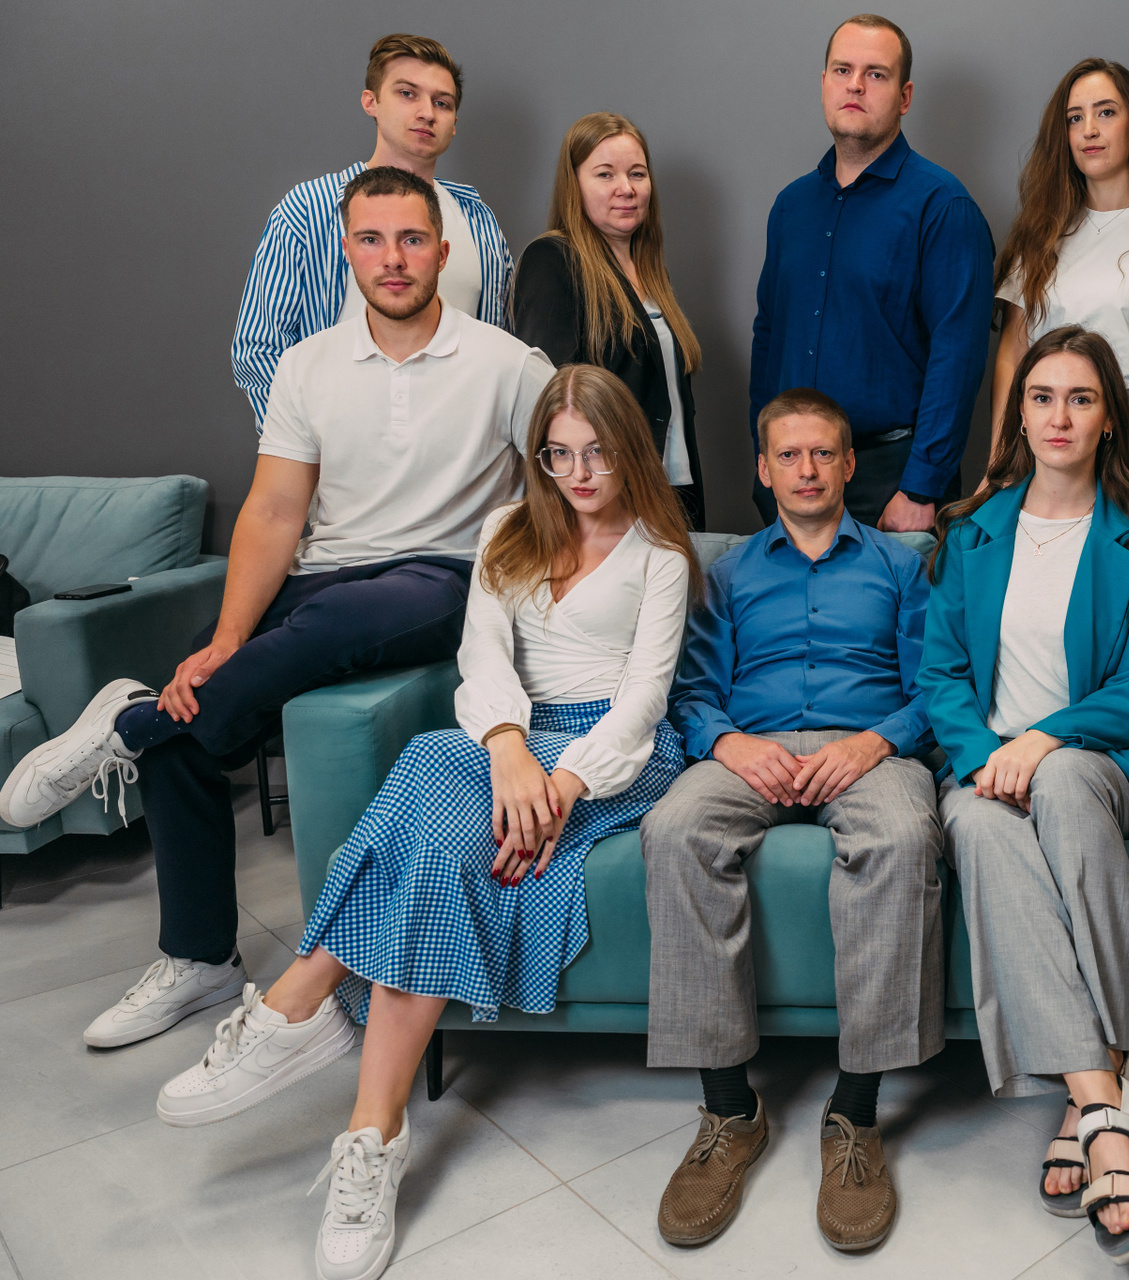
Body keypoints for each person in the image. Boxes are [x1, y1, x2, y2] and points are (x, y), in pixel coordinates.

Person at [148, 364, 693, 1280]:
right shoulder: (507, 530)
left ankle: (301, 1007)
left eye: (597, 453)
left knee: (440, 810)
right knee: (431, 769)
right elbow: (484, 659)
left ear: (629, 449)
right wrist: (508, 747)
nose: (578, 474)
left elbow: (643, 701)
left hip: (610, 755)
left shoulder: (660, 555)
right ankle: (375, 1132)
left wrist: (561, 786)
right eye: (558, 455)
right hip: (508, 733)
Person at [0, 166, 555, 1052]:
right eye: (371, 240)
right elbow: (273, 512)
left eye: (412, 240)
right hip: (326, 571)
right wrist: (226, 637)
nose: (393, 258)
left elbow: (562, 487)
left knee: (333, 626)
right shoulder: (307, 365)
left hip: (445, 573)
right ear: (347, 252)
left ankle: (129, 727)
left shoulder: (510, 364)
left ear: (443, 252)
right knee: (196, 680)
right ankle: (198, 957)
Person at [642, 388, 945, 1254]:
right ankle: (730, 1111)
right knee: (674, 830)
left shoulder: (901, 566)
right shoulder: (728, 572)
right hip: (754, 750)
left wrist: (876, 743)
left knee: (901, 838)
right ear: (764, 468)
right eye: (788, 455)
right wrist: (729, 743)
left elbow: (935, 685)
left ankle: (856, 1114)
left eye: (822, 454)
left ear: (848, 465)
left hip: (868, 750)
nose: (806, 470)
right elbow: (694, 691)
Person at [919, 326, 1129, 1265]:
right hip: (984, 766)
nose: (1059, 415)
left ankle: (1091, 1103)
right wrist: (988, 756)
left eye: (1081, 397)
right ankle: (1103, 1100)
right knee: (984, 832)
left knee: (1066, 782)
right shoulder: (972, 530)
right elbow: (941, 673)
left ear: (1110, 416)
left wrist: (1045, 740)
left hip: (1103, 762)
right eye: (1042, 397)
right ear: (1020, 415)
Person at [748, 13, 995, 530]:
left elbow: (958, 357)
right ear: (824, 84)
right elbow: (769, 337)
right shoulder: (790, 207)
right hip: (790, 478)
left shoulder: (943, 207)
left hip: (892, 482)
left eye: (875, 74)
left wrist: (921, 486)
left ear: (905, 97)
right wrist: (765, 457)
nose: (855, 85)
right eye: (843, 70)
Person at [232, 32, 515, 427]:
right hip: (339, 453)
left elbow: (501, 352)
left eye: (442, 103)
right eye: (407, 94)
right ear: (371, 102)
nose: (427, 113)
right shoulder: (310, 209)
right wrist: (303, 448)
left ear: (454, 125)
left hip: (459, 453)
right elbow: (259, 349)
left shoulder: (478, 220)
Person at [991, 58, 1129, 533]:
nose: (1089, 130)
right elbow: (1012, 356)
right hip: (1046, 423)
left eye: (1106, 112)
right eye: (1075, 117)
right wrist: (998, 462)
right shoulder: (1039, 233)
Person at [512, 112, 708, 530]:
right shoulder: (553, 261)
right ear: (574, 185)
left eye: (637, 173)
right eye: (605, 174)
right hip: (604, 500)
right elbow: (552, 400)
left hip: (673, 490)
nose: (626, 188)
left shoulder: (652, 274)